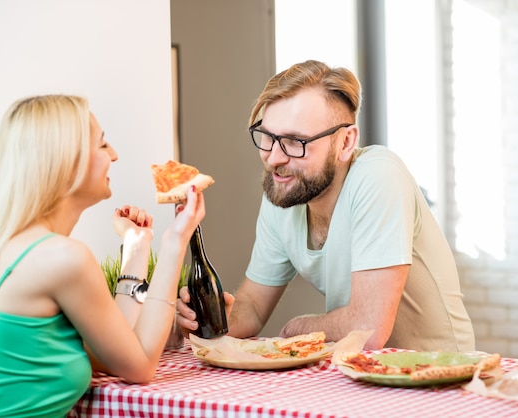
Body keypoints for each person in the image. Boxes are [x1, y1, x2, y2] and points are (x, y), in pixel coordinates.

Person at [178, 60, 474, 352]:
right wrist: (211, 319)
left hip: (442, 376)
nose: (274, 159)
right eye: (267, 137)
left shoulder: (379, 176)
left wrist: (295, 330)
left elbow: (367, 330)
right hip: (359, 373)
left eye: (295, 141)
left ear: (346, 143)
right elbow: (252, 307)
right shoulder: (285, 189)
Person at [0, 95, 205, 417]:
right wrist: (176, 239)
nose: (115, 155)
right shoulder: (62, 258)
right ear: (68, 161)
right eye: (103, 145)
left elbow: (112, 353)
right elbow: (142, 364)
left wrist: (135, 248)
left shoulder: (8, 251)